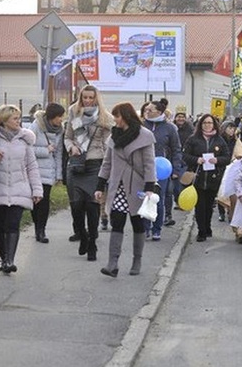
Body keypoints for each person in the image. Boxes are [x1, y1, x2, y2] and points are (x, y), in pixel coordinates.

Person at [95, 102, 156, 277]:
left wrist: (150, 187)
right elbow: (107, 163)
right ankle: (112, 264)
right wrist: (100, 185)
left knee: (138, 224)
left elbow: (149, 164)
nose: (115, 119)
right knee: (117, 222)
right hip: (117, 186)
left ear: (126, 116)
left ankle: (137, 260)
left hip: (137, 186)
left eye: (117, 116)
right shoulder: (114, 136)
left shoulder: (145, 136)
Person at [63, 85, 114, 261]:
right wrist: (71, 147)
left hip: (95, 164)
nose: (87, 100)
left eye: (90, 97)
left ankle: (92, 242)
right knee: (76, 206)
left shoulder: (105, 117)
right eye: (84, 97)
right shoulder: (74, 113)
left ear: (96, 98)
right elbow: (68, 137)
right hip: (76, 164)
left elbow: (109, 144)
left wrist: (108, 167)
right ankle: (82, 236)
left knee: (92, 206)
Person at [0, 105, 43, 273]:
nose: (19, 121)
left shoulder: (25, 139)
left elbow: (32, 166)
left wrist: (37, 190)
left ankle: (9, 260)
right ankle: (3, 257)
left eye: (19, 118)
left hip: (19, 188)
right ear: (4, 120)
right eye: (15, 118)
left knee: (13, 224)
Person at [182, 114, 230, 242]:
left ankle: (207, 227)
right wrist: (196, 159)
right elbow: (185, 155)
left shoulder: (219, 140)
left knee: (209, 206)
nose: (207, 125)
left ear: (214, 124)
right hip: (198, 177)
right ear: (200, 124)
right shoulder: (193, 139)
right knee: (200, 206)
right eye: (205, 123)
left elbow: (226, 157)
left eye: (210, 123)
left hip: (213, 178)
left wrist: (217, 160)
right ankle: (201, 231)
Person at [142, 98, 182, 240]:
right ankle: (145, 228)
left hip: (161, 169)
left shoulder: (169, 128)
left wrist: (176, 169)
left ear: (159, 112)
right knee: (144, 198)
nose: (146, 112)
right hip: (143, 167)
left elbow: (176, 149)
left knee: (158, 199)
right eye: (146, 110)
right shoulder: (142, 125)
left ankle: (156, 229)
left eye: (150, 110)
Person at [28, 102, 65, 243]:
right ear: (52, 116)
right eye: (59, 116)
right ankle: (37, 227)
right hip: (35, 170)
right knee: (36, 201)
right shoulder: (36, 126)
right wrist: (45, 150)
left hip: (49, 171)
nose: (61, 119)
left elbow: (59, 152)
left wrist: (59, 175)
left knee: (44, 202)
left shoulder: (59, 130)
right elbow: (28, 148)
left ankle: (41, 230)